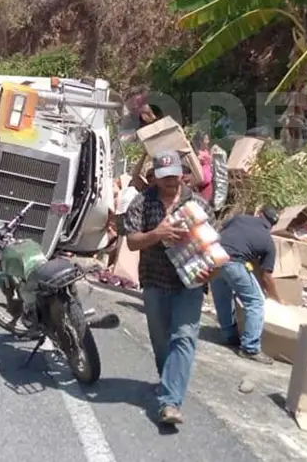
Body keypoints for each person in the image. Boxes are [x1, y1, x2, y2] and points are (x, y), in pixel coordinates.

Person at [122, 150, 215, 426]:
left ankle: (170, 403)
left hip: (190, 282)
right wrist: (157, 234)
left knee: (184, 338)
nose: (170, 182)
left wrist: (214, 265)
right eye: (164, 177)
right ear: (157, 177)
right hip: (154, 280)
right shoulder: (142, 202)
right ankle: (168, 383)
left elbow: (213, 241)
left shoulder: (198, 204)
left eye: (174, 176)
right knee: (161, 340)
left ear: (182, 174)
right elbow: (131, 241)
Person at [211, 206, 282, 365]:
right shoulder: (268, 241)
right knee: (255, 302)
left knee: (223, 295)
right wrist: (276, 299)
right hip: (233, 263)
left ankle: (228, 335)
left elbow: (220, 228)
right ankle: (250, 348)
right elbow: (266, 277)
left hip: (213, 257)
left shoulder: (241, 218)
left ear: (260, 214)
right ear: (272, 225)